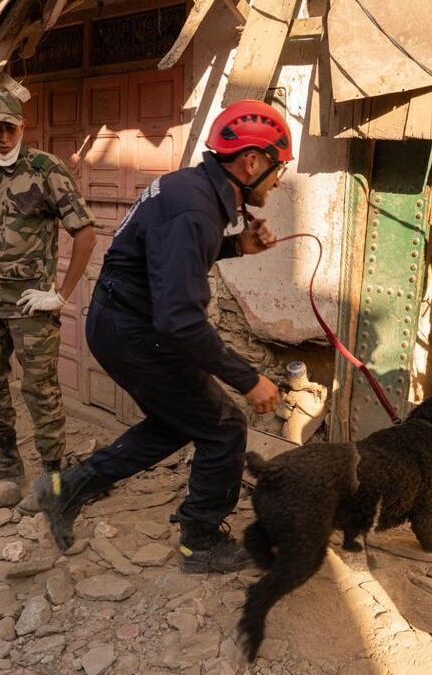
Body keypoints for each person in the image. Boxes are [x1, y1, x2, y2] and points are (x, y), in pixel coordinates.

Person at [35, 100, 287, 573]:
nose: (279, 180)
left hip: (122, 323)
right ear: (252, 162)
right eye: (278, 168)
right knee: (224, 425)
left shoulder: (191, 190)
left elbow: (169, 261)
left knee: (179, 421)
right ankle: (201, 540)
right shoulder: (195, 208)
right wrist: (248, 378)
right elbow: (181, 321)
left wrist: (237, 245)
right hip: (135, 330)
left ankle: (68, 488)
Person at [0, 91, 96, 485]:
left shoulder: (46, 169)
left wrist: (60, 295)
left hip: (30, 308)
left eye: (10, 128)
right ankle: (7, 457)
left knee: (39, 390)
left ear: (23, 126)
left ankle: (54, 474)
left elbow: (85, 233)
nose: (4, 137)